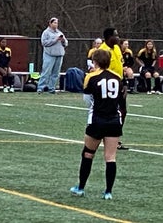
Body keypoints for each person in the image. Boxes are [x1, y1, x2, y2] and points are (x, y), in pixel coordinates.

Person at [70, 49, 122, 200]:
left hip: (97, 119)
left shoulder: (90, 77)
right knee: (110, 157)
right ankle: (108, 192)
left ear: (95, 62)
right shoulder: (117, 77)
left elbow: (87, 101)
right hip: (114, 120)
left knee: (88, 153)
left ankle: (80, 188)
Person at [97, 28, 129, 150]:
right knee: (108, 112)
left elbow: (120, 65)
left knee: (123, 111)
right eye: (116, 35)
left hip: (119, 83)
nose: (118, 38)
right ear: (109, 37)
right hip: (107, 84)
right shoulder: (102, 50)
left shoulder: (117, 48)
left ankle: (116, 138)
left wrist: (124, 82)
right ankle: (102, 136)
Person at [38, 17, 68, 94]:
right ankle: (41, 87)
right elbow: (44, 43)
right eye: (54, 23)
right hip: (49, 55)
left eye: (57, 23)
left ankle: (51, 88)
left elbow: (66, 44)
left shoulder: (60, 33)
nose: (56, 24)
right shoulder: (46, 33)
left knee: (56, 73)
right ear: (50, 23)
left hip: (59, 55)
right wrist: (55, 40)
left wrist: (63, 40)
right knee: (46, 71)